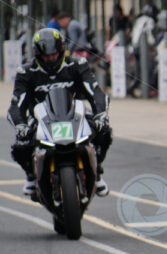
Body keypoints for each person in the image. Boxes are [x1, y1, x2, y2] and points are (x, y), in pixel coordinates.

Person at [7, 28, 112, 196]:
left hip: (74, 116)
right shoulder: (26, 72)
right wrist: (21, 125)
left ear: (61, 50)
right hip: (40, 121)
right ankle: (30, 176)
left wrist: (101, 115)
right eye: (46, 56)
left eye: (54, 54)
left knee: (104, 131)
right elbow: (15, 105)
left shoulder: (77, 65)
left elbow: (96, 92)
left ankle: (97, 172)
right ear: (37, 55)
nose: (51, 59)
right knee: (20, 145)